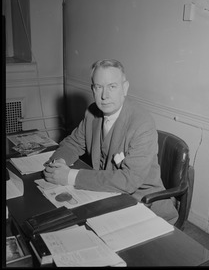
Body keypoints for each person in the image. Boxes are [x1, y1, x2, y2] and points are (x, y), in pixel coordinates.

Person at [43, 59, 178, 224]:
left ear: (125, 88)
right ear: (93, 89)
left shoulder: (142, 123)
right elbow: (73, 143)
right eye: (99, 87)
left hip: (144, 205)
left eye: (112, 87)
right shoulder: (92, 113)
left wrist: (70, 176)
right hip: (106, 196)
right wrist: (59, 163)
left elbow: (129, 181)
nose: (104, 96)